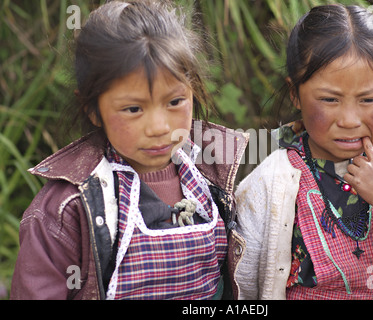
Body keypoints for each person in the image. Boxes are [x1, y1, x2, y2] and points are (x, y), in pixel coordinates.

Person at [10, 0, 248, 300]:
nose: (159, 127)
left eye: (175, 102)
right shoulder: (67, 209)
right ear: (93, 110)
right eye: (134, 108)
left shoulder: (212, 180)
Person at [234, 3, 373, 300]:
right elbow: (242, 283)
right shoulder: (270, 183)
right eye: (330, 100)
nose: (349, 120)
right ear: (295, 93)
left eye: (368, 100)